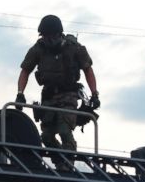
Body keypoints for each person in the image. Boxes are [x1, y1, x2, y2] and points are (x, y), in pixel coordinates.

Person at [16, 14, 99, 153]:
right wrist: (20, 94)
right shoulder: (38, 49)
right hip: (48, 96)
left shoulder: (73, 48)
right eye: (44, 36)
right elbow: (25, 71)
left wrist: (94, 94)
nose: (47, 39)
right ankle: (61, 161)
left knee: (64, 131)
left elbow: (88, 69)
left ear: (58, 34)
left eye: (50, 36)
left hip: (69, 95)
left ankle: (68, 164)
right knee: (47, 137)